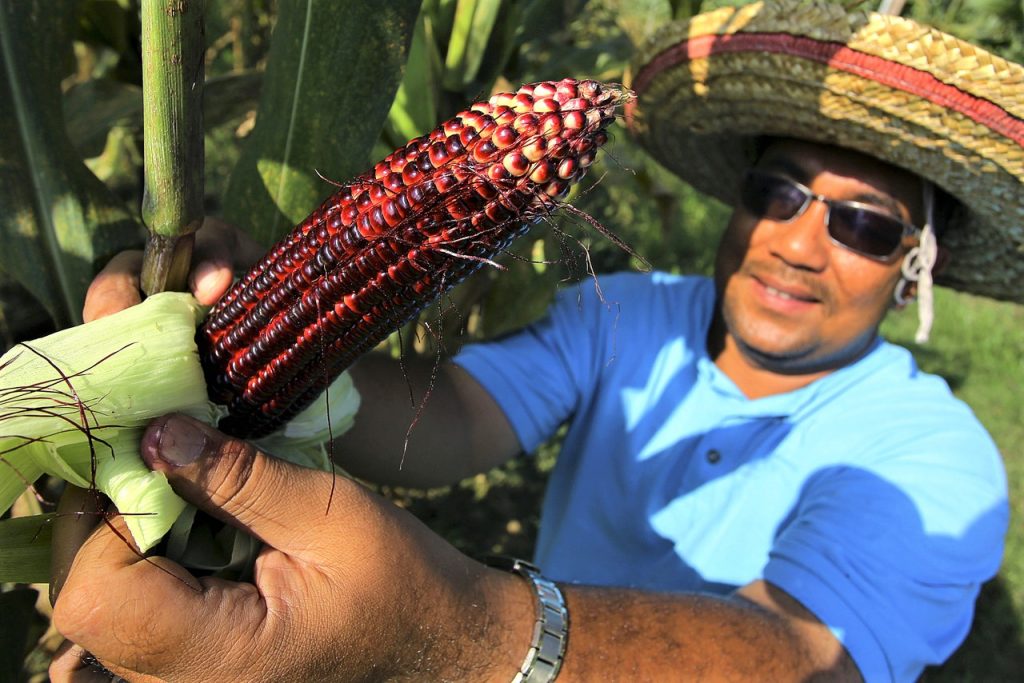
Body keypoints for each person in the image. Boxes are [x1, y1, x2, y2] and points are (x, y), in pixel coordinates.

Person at [48, 1, 1019, 681]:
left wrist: (461, 633)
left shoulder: (937, 459)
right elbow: (454, 421)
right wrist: (256, 338)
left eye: (864, 225)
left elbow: (806, 661)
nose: (798, 243)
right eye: (779, 191)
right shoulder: (630, 313)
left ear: (915, 270)